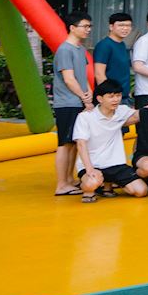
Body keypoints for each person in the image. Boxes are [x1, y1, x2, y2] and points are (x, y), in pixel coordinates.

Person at [74, 80, 146, 203]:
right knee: (91, 182)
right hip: (93, 164)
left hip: (115, 164)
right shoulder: (85, 117)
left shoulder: (122, 111)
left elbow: (142, 113)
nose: (115, 100)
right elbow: (81, 144)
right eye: (111, 96)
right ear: (100, 99)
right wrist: (90, 169)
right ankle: (89, 190)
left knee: (141, 191)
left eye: (118, 96)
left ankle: (108, 184)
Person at [51, 12, 95, 197]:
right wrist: (84, 97)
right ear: (72, 28)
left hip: (78, 101)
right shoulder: (65, 50)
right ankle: (61, 184)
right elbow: (69, 79)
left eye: (89, 26)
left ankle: (69, 179)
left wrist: (88, 93)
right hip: (67, 102)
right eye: (84, 26)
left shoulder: (79, 49)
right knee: (64, 143)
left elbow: (81, 76)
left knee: (73, 142)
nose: (88, 30)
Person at [93, 12, 134, 99]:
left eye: (128, 25)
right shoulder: (104, 45)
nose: (125, 28)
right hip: (111, 97)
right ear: (111, 27)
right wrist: (109, 96)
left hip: (123, 96)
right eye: (121, 25)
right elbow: (99, 74)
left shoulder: (122, 44)